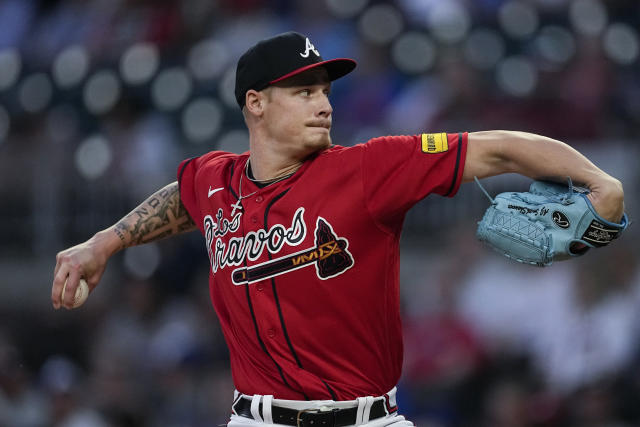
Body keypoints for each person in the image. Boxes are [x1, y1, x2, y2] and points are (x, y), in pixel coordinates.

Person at [51, 32, 625, 426]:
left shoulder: (369, 170)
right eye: (303, 91)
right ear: (255, 103)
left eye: (325, 89)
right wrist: (105, 241)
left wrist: (600, 181)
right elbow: (183, 198)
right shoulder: (215, 180)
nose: (323, 103)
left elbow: (498, 150)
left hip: (368, 416)